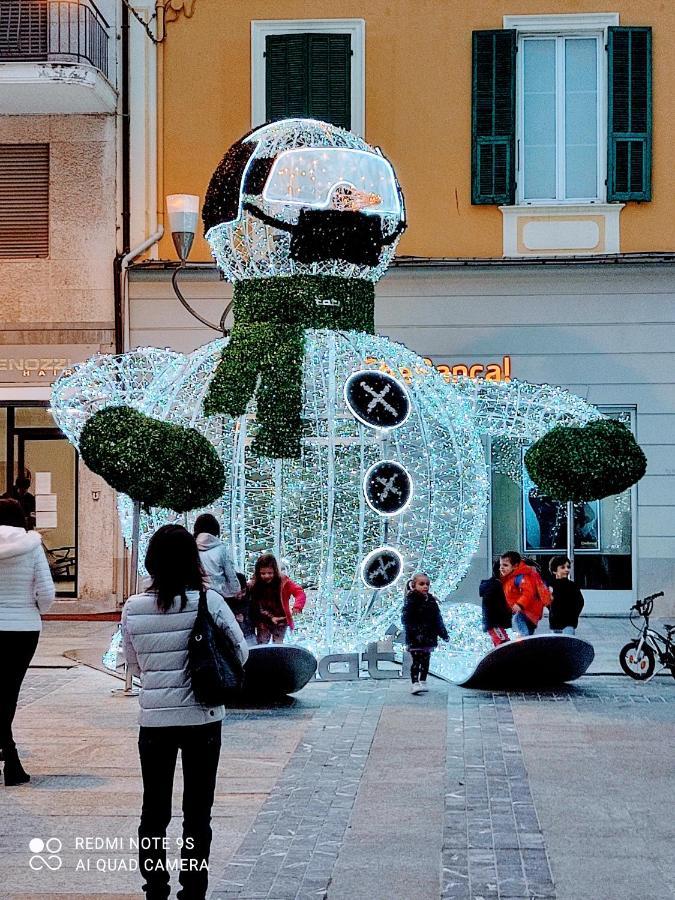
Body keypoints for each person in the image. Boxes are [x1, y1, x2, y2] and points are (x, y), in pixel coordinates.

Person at [122, 524, 248, 900]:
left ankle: (155, 887)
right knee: (197, 813)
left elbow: (133, 665)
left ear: (152, 562)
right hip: (203, 719)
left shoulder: (133, 606)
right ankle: (193, 889)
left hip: (155, 721)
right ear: (193, 561)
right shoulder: (209, 601)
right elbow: (240, 653)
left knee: (154, 810)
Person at [0, 498, 55, 785]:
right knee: (9, 690)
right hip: (23, 629)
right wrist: (34, 608)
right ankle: (10, 757)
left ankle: (9, 754)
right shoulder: (32, 547)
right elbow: (46, 594)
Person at [401, 572, 449, 694]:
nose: (425, 587)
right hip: (415, 638)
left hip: (429, 636)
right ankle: (415, 682)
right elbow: (406, 620)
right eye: (421, 584)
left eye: (427, 584)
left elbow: (438, 619)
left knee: (426, 660)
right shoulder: (411, 601)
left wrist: (443, 634)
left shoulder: (431, 601)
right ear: (414, 585)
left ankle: (423, 680)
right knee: (416, 660)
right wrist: (414, 631)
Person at [248, 553, 306, 645]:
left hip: (280, 619)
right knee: (262, 643)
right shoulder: (253, 584)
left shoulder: (283, 582)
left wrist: (297, 606)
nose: (266, 576)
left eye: (270, 573)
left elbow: (299, 592)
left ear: (275, 571)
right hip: (263, 619)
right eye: (263, 573)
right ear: (258, 573)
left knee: (278, 643)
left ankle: (277, 657)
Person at [499, 550, 550, 638]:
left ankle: (524, 642)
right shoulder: (510, 578)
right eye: (501, 565)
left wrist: (519, 605)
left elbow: (528, 592)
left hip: (526, 611)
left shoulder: (521, 576)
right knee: (528, 633)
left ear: (515, 566)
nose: (501, 568)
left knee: (517, 621)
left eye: (505, 565)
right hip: (531, 614)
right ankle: (528, 646)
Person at [193, 513, 240, 600]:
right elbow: (230, 574)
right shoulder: (221, 549)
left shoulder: (192, 548)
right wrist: (235, 591)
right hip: (220, 594)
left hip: (198, 595)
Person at [548, 555, 585, 635]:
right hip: (554, 623)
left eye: (568, 567)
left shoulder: (572, 586)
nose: (566, 570)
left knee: (567, 644)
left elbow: (580, 602)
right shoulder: (551, 586)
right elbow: (547, 601)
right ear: (554, 571)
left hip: (568, 624)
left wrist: (573, 616)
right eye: (563, 567)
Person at [479, 560, 512, 646]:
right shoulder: (494, 587)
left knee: (502, 646)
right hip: (495, 624)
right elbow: (491, 607)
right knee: (504, 646)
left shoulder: (497, 585)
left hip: (496, 624)